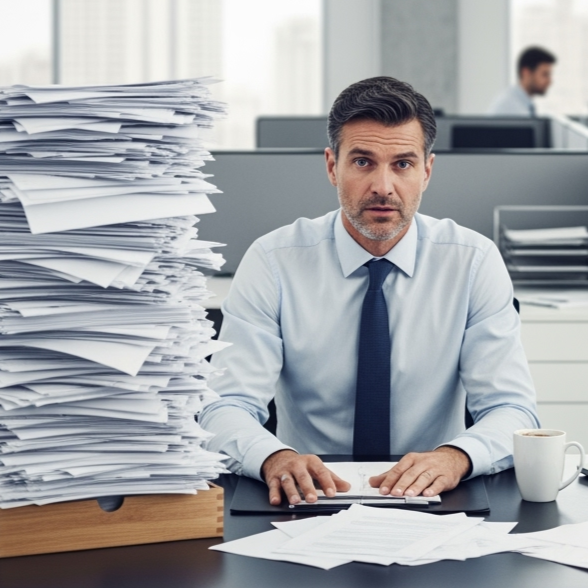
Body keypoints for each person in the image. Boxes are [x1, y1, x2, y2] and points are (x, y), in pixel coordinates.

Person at [200, 76, 539, 506]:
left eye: (402, 164)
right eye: (362, 162)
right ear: (331, 166)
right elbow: (226, 405)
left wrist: (455, 457)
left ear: (427, 171)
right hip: (307, 498)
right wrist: (273, 457)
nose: (383, 186)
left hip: (436, 497)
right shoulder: (274, 260)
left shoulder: (472, 261)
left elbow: (513, 409)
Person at [488, 46, 556, 116]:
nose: (550, 81)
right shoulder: (508, 107)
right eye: (545, 74)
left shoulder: (523, 105)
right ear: (526, 72)